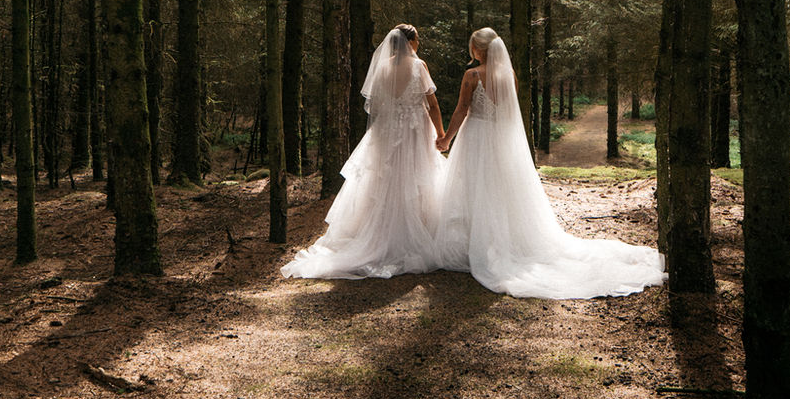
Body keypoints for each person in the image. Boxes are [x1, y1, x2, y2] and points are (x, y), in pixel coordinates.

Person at [435, 27, 665, 298]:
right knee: (500, 189)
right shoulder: (509, 75)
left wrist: (447, 139)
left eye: (472, 47)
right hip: (500, 140)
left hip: (476, 138)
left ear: (477, 49)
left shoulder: (472, 75)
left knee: (474, 186)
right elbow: (510, 113)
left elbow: (462, 109)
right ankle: (500, 241)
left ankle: (475, 245)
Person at [282, 24, 447, 279]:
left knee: (385, 180)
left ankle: (382, 232)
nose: (419, 44)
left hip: (387, 131)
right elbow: (432, 103)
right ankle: (418, 231)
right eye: (417, 40)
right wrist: (440, 133)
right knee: (416, 177)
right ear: (410, 42)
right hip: (416, 130)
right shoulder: (418, 66)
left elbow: (378, 105)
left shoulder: (382, 67)